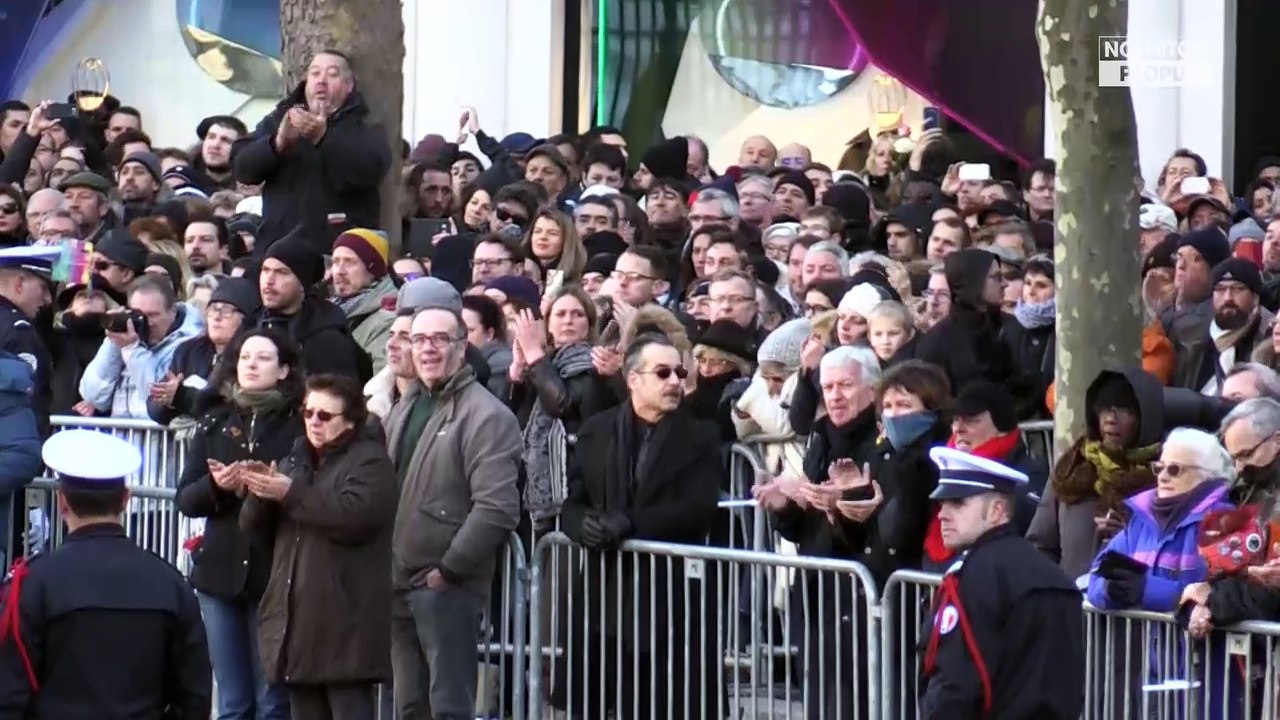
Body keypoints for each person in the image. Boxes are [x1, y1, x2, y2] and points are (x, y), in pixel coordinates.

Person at [556, 334, 722, 719]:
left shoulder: (700, 435)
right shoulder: (597, 430)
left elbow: (698, 507)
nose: (675, 381)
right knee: (591, 701)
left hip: (670, 601)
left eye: (679, 373)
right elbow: (572, 503)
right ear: (633, 379)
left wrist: (628, 524)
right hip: (602, 594)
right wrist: (583, 526)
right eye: (663, 373)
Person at [0, 429, 212, 718]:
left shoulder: (33, 583)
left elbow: (9, 692)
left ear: (62, 502)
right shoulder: (170, 583)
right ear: (126, 499)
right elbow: (194, 697)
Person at [384, 299, 522, 719]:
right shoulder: (405, 405)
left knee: (448, 707)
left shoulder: (487, 415)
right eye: (418, 339)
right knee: (409, 706)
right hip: (398, 584)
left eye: (439, 339)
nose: (427, 348)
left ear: (462, 347)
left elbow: (497, 507)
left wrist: (448, 570)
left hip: (446, 589)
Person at [240, 374, 398, 720]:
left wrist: (289, 493)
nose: (314, 421)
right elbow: (253, 528)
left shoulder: (370, 462)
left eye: (325, 416)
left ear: (350, 421)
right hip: (299, 628)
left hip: (345, 628)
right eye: (308, 412)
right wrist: (260, 493)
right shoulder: (296, 459)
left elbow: (353, 516)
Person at [176, 328, 304, 720]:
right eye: (245, 357)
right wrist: (217, 486)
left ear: (283, 370)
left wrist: (275, 489)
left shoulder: (301, 423)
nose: (251, 364)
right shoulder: (214, 421)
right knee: (233, 703)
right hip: (220, 571)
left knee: (272, 702)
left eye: (263, 358)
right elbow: (186, 499)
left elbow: (312, 496)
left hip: (275, 574)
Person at [918, 447, 1084, 720]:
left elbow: (956, 685)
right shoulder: (1054, 576)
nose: (942, 515)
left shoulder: (971, 578)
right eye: (942, 504)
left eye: (957, 503)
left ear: (997, 511)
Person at [233, 50, 391, 255]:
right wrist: (277, 143)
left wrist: (323, 137)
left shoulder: (365, 127)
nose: (321, 81)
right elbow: (243, 169)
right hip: (279, 247)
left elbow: (370, 170)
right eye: (315, 73)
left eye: (332, 74)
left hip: (337, 252)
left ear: (349, 85)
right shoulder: (279, 119)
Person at [1027, 367, 1163, 580]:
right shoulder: (1073, 467)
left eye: (1124, 410)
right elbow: (1039, 545)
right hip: (1070, 596)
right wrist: (1058, 590)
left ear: (1145, 417)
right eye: (1104, 408)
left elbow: (1171, 557)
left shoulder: (1165, 475)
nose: (1110, 418)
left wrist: (1129, 538)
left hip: (1131, 597)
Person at [78, 274, 204, 418]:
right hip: (120, 431)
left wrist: (132, 351)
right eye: (138, 314)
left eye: (153, 315)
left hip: (156, 432)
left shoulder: (191, 344)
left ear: (173, 311)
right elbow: (93, 397)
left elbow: (157, 398)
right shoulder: (128, 339)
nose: (146, 322)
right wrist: (114, 341)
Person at [258, 232, 369, 382]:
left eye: (282, 272)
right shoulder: (253, 322)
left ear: (303, 284)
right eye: (265, 270)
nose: (269, 280)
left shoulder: (327, 340)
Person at [0, 245, 60, 434]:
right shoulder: (18, 331)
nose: (47, 299)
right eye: (43, 288)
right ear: (19, 284)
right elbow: (29, 399)